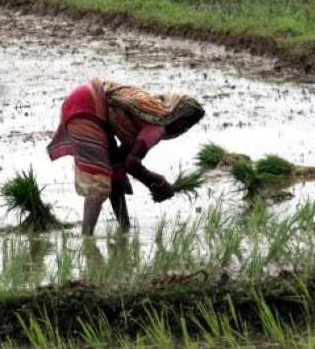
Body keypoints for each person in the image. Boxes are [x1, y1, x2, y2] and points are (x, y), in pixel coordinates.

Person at [47, 78, 205, 235]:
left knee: (116, 173)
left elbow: (123, 163)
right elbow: (132, 163)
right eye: (184, 123)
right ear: (176, 113)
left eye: (188, 127)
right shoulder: (157, 126)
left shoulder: (150, 111)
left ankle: (124, 229)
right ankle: (86, 238)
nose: (183, 129)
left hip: (87, 100)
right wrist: (157, 182)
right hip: (87, 106)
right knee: (98, 181)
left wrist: (153, 184)